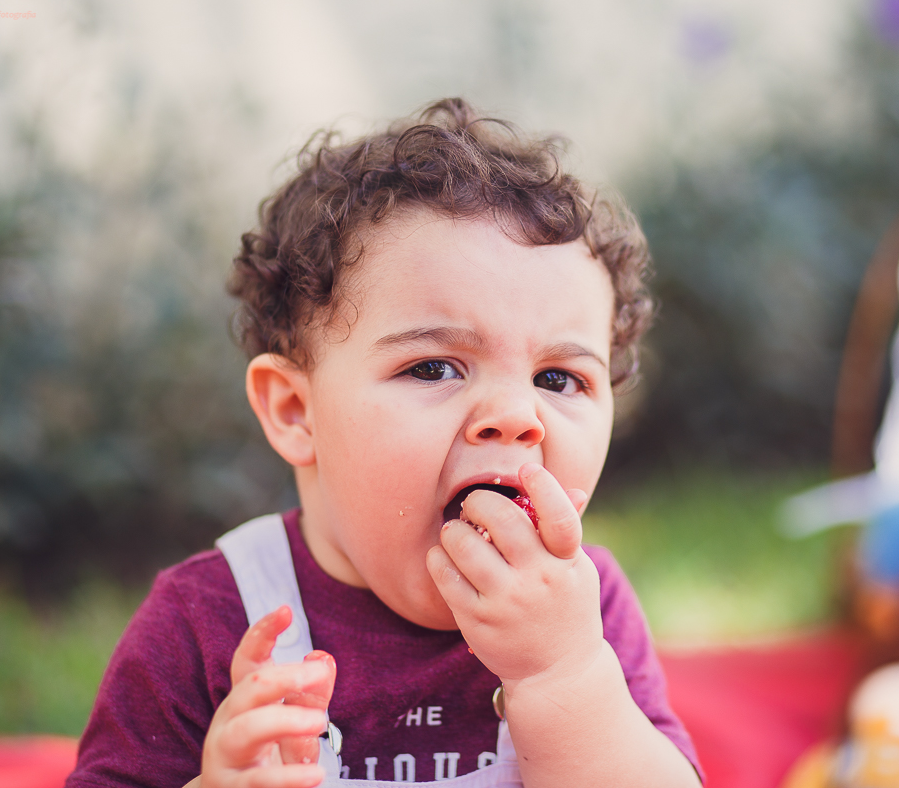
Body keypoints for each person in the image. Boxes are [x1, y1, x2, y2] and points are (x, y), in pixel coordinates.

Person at [65, 98, 702, 788]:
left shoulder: (587, 608)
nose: (516, 416)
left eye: (558, 376)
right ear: (296, 411)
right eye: (433, 367)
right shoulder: (208, 621)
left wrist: (564, 674)